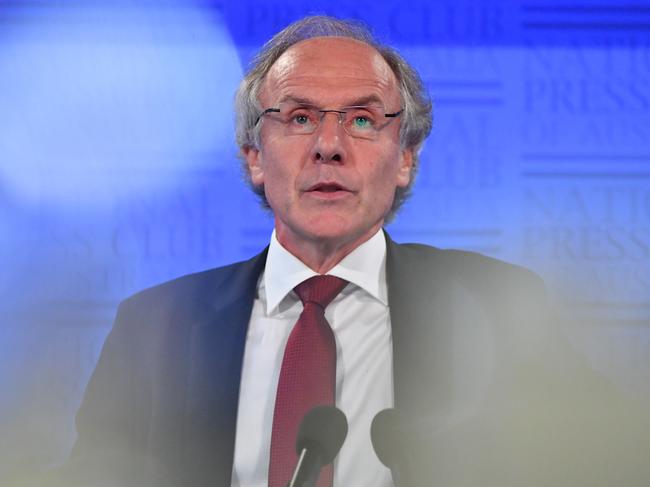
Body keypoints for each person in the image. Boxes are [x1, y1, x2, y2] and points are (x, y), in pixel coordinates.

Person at [36, 14, 647, 487]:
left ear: (405, 157)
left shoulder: (503, 307)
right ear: (254, 156)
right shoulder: (153, 326)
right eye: (299, 118)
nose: (329, 146)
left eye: (362, 121)